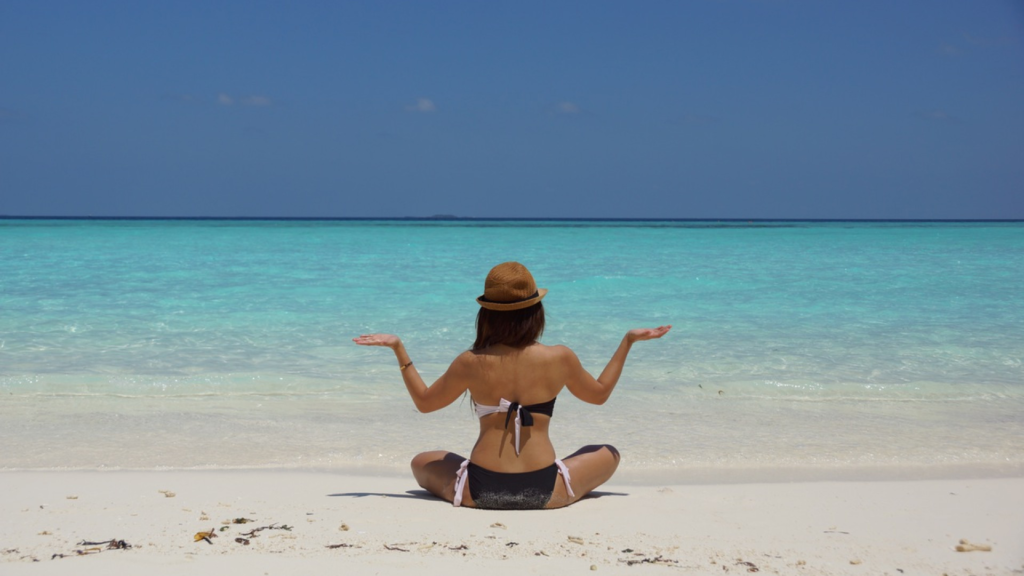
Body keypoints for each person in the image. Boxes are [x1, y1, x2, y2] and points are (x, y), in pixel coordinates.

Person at [353, 261, 670, 509]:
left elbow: (424, 403)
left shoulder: (471, 361)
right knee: (607, 452)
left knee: (422, 461)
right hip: (545, 492)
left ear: (486, 315)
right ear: (536, 312)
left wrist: (399, 349)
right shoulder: (560, 357)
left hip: (480, 491)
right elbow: (599, 395)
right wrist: (627, 342)